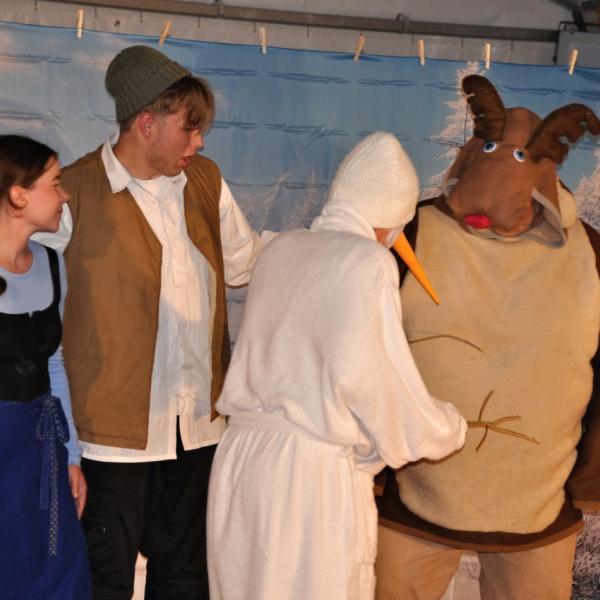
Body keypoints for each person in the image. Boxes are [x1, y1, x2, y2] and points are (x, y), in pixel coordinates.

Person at [36, 45, 273, 600]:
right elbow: (21, 275)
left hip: (198, 431)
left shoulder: (206, 182)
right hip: (111, 440)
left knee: (187, 581)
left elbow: (249, 261)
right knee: (105, 583)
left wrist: (327, 248)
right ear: (147, 123)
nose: (199, 142)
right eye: (190, 128)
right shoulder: (76, 191)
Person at [207, 132, 467, 600]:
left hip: (241, 462)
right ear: (392, 218)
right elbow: (383, 386)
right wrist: (447, 427)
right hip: (308, 477)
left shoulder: (280, 250)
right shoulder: (367, 262)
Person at [0, 134, 90, 598]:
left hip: (41, 449)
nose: (65, 195)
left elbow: (55, 364)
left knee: (56, 572)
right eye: (55, 184)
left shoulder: (53, 265)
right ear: (18, 195)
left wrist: (71, 455)